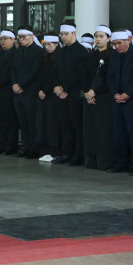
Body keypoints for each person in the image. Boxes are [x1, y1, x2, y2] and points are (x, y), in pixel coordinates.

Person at [106, 30, 133, 175]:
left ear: (128, 40)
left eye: (119, 43)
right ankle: (120, 163)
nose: (117, 47)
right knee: (118, 134)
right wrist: (115, 93)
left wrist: (128, 94)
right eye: (114, 44)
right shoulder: (114, 56)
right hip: (117, 100)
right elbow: (110, 77)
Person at [51, 23, 88, 165]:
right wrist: (56, 86)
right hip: (60, 95)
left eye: (66, 34)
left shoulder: (81, 51)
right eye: (62, 35)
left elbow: (79, 74)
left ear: (74, 33)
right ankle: (66, 153)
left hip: (73, 94)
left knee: (76, 126)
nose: (63, 37)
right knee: (64, 126)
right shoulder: (61, 51)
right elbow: (54, 71)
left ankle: (78, 155)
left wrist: (64, 88)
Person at [82, 26, 113, 170]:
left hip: (104, 97)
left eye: (101, 36)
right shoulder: (90, 56)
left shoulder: (112, 55)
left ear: (108, 38)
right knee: (90, 130)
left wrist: (95, 92)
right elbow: (84, 75)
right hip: (89, 97)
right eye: (96, 36)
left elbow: (110, 79)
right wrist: (88, 93)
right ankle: (91, 161)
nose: (98, 39)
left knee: (103, 131)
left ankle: (103, 162)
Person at [12, 26, 43, 158]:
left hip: (30, 91)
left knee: (32, 122)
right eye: (20, 37)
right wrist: (14, 83)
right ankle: (26, 147)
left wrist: (21, 84)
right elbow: (13, 69)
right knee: (22, 122)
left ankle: (33, 149)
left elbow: (35, 71)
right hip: (18, 92)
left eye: (24, 37)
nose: (22, 39)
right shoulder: (18, 51)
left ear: (31, 36)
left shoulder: (38, 51)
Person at [0, 30, 19, 155]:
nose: (3, 41)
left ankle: (11, 146)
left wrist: (0, 82)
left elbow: (11, 71)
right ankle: (2, 145)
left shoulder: (17, 54)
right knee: (1, 120)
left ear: (13, 39)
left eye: (6, 38)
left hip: (9, 90)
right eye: (1, 39)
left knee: (11, 121)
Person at [36, 33, 61, 161]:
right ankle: (45, 149)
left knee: (53, 125)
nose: (48, 47)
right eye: (46, 44)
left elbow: (55, 77)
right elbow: (40, 75)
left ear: (57, 44)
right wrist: (40, 89)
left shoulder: (59, 58)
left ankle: (54, 150)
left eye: (50, 44)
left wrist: (47, 90)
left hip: (53, 95)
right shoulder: (44, 57)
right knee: (44, 124)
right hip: (44, 95)